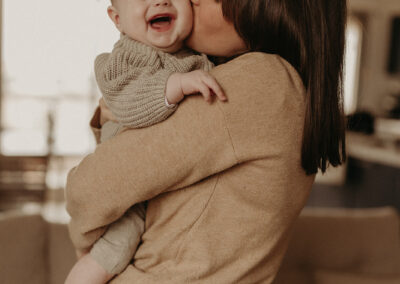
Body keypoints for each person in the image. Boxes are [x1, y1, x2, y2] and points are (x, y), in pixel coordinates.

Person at [65, 0, 347, 283]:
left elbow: (91, 187)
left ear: (270, 7)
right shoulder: (281, 86)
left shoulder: (261, 82)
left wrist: (85, 242)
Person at [65, 0, 227, 283]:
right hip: (127, 189)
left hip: (169, 182)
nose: (160, 0)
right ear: (117, 20)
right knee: (115, 249)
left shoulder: (201, 55)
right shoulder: (123, 58)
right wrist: (177, 85)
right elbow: (128, 103)